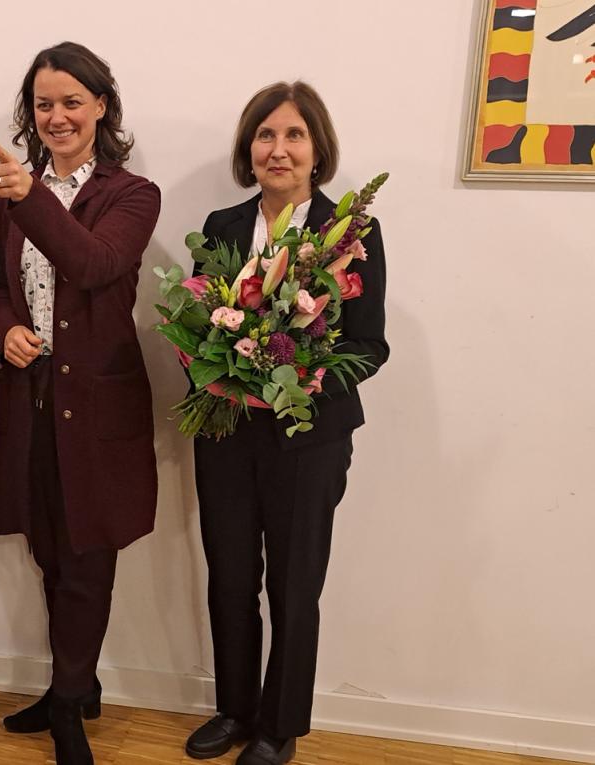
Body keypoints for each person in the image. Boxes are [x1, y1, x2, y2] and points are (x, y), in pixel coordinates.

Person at [184, 81, 388, 765]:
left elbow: (370, 345)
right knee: (230, 576)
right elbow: (197, 324)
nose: (279, 149)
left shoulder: (350, 233)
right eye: (265, 135)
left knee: (294, 586)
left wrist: (306, 380)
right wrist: (215, 370)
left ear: (316, 149)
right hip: (226, 431)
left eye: (294, 135)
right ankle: (234, 710)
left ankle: (280, 725)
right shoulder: (221, 226)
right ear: (249, 149)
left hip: (309, 437)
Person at [0, 41, 160, 765]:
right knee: (50, 551)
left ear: (101, 107)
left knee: (88, 557)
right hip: (31, 400)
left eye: (71, 102)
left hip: (99, 408)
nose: (56, 116)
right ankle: (75, 686)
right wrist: (7, 329)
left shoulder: (132, 194)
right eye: (43, 104)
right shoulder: (15, 192)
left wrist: (30, 197)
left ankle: (67, 704)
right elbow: (2, 285)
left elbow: (93, 264)